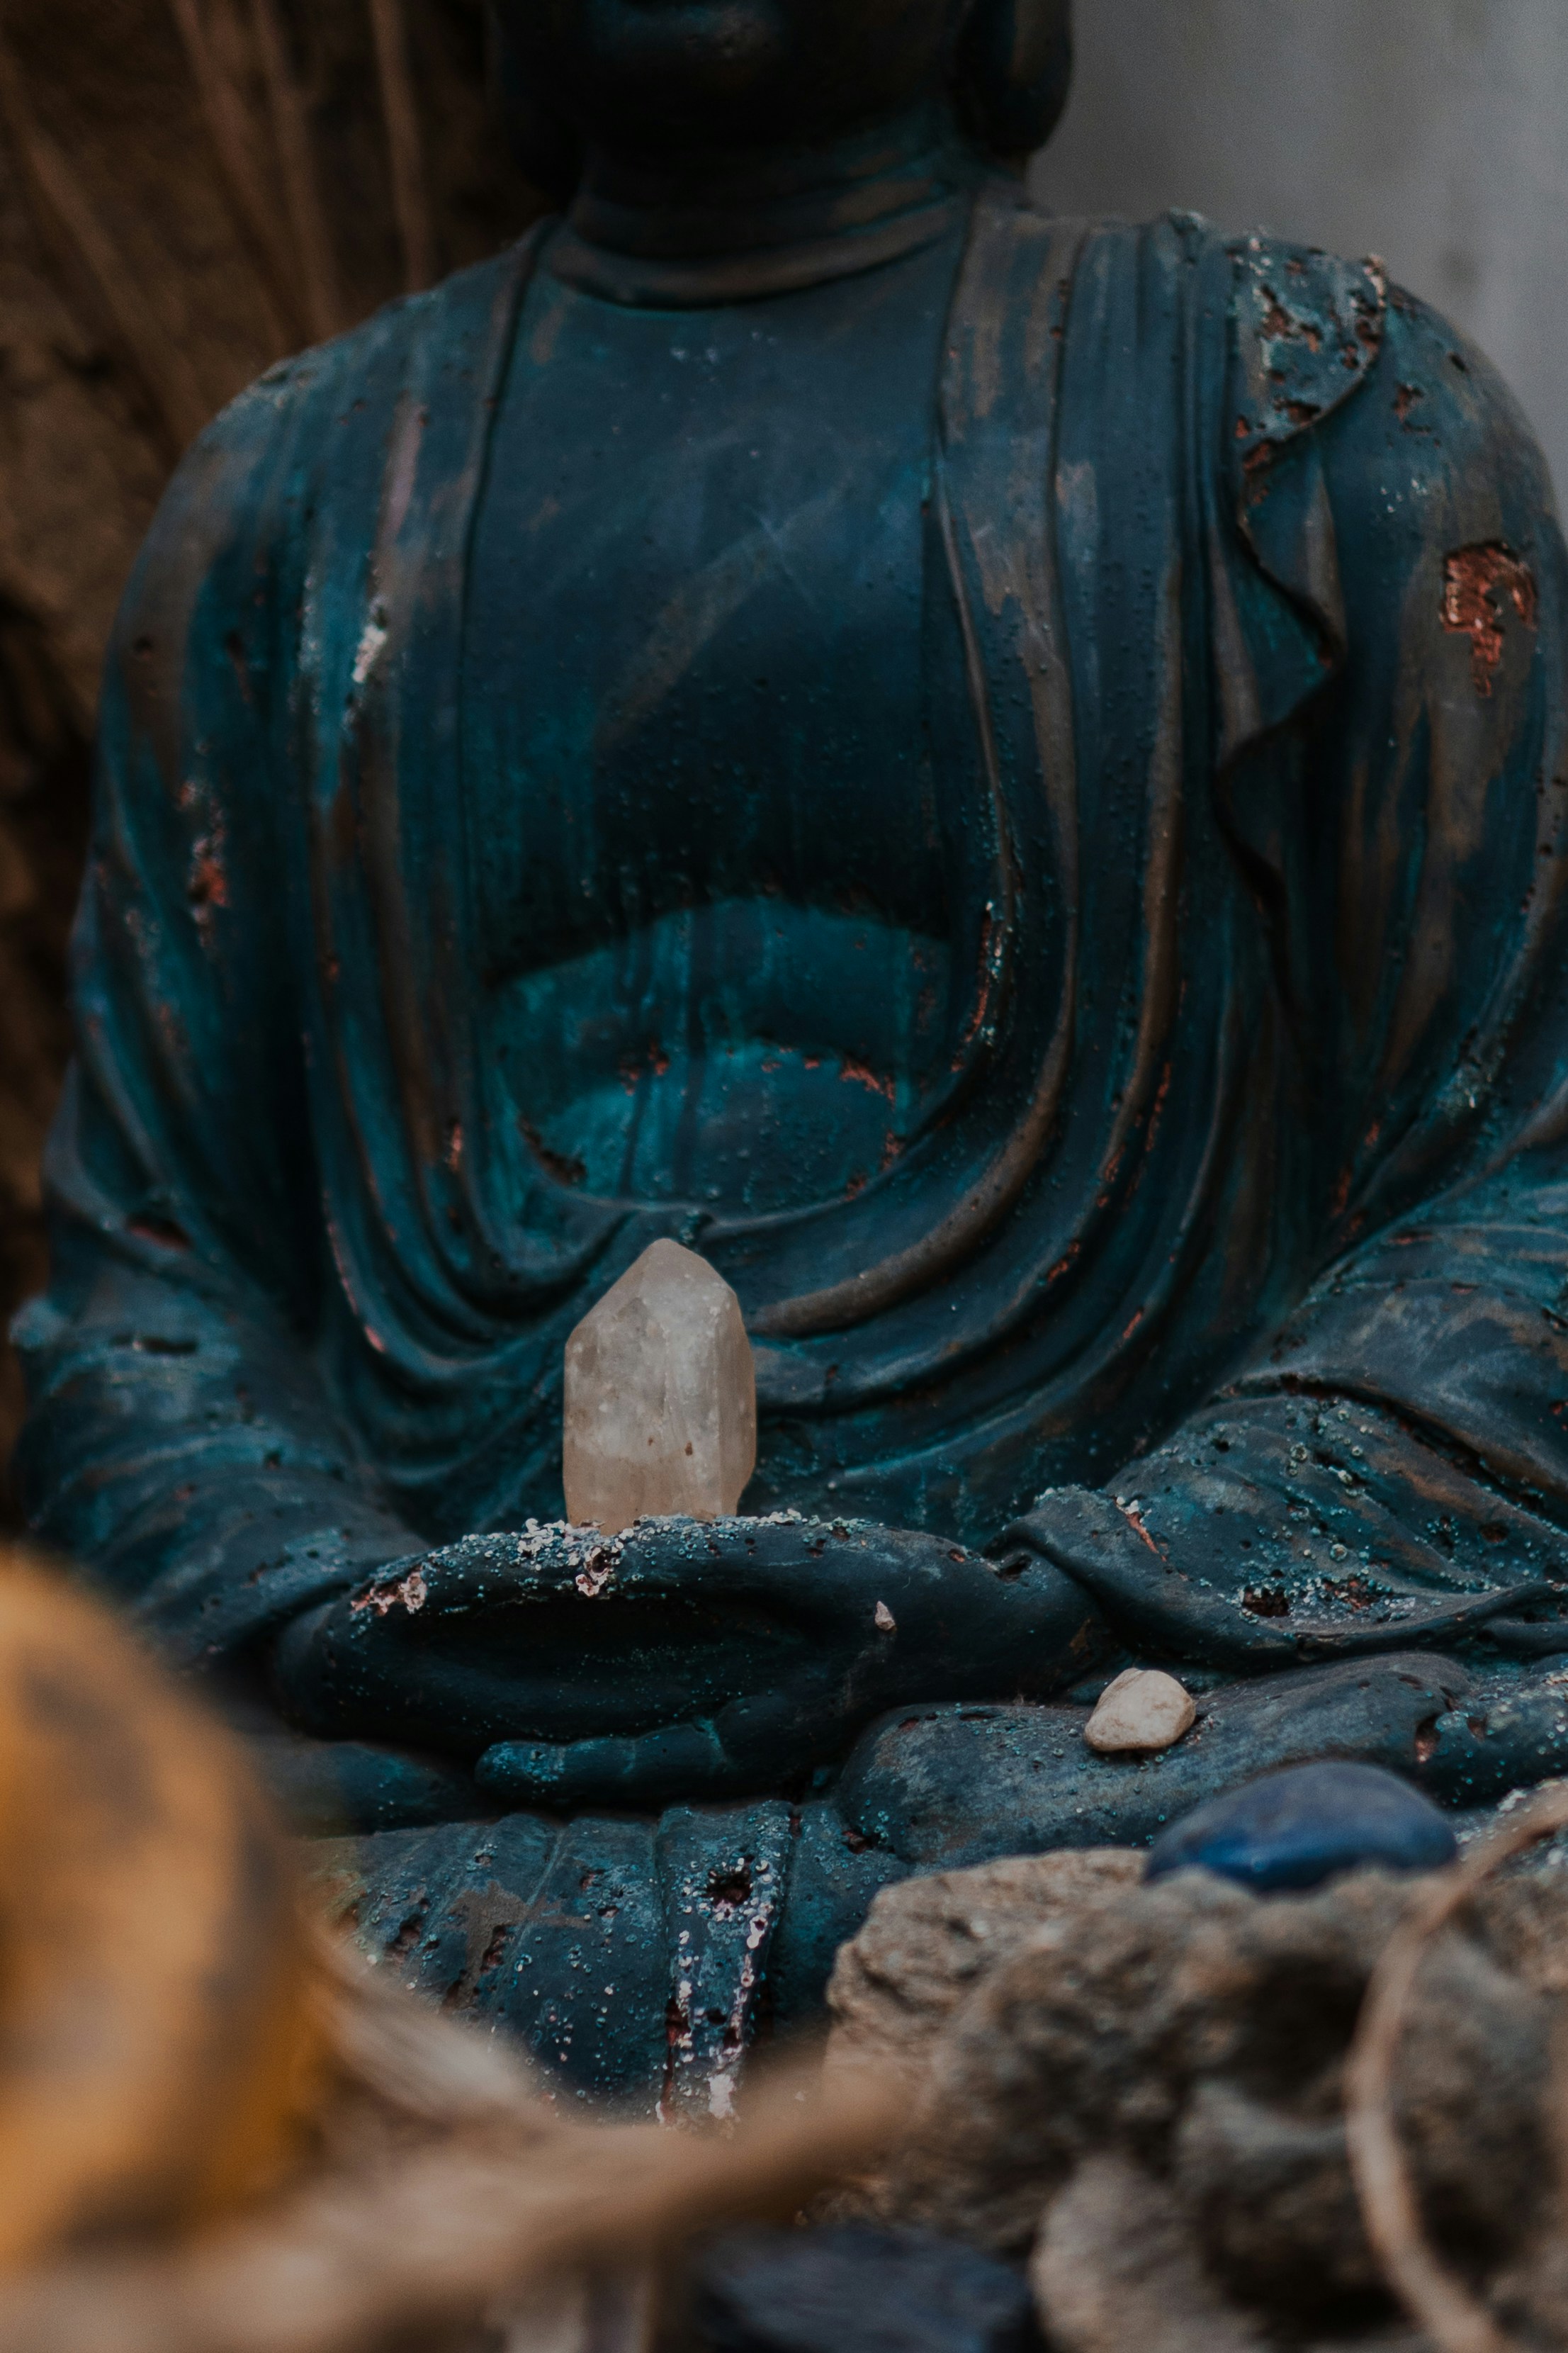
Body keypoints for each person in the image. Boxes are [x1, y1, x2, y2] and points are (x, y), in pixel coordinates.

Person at [15, 0, 1568, 2104]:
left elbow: (1529, 1209)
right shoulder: (288, 502)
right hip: (418, 1750)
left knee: (1398, 1846)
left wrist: (1070, 1585)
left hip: (1081, 1727)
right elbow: (145, 1303)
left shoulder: (1307, 416)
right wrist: (329, 1608)